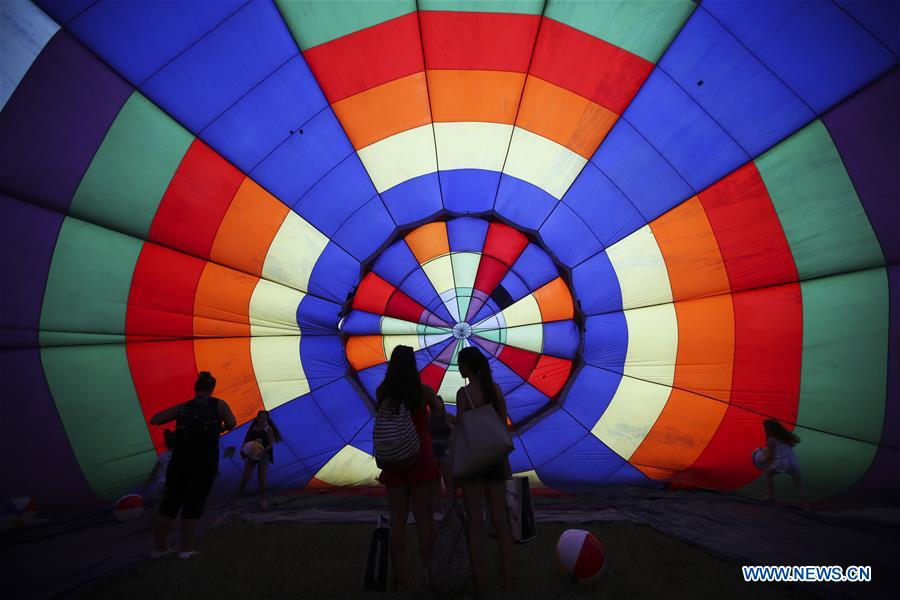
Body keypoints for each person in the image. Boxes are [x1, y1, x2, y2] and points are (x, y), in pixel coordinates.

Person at [149, 371, 236, 558]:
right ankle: (185, 549)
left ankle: (160, 548)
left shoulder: (185, 406)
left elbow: (155, 419)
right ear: (212, 388)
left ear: (196, 388)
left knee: (170, 503)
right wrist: (221, 428)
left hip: (179, 461)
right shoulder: (219, 405)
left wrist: (183, 409)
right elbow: (232, 422)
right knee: (194, 503)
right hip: (204, 462)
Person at [376, 345, 441, 589]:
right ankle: (430, 574)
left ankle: (401, 576)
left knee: (398, 520)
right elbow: (438, 414)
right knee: (425, 520)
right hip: (420, 457)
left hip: (393, 461)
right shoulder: (422, 392)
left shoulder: (382, 392)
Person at [455, 346, 513, 594]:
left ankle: (480, 582)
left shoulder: (463, 394)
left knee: (475, 523)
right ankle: (507, 581)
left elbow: (460, 428)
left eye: (460, 364)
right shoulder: (494, 390)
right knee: (500, 520)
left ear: (468, 367)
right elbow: (502, 424)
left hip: (473, 460)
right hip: (495, 459)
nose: (459, 368)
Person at [237, 410, 282, 510]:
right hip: (252, 455)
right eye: (260, 417)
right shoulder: (253, 428)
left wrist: (263, 450)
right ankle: (238, 495)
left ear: (267, 419)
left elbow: (271, 444)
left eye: (264, 417)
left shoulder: (268, 429)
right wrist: (243, 450)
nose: (262, 419)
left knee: (261, 478)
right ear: (257, 418)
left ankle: (263, 500)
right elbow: (246, 440)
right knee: (246, 477)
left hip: (263, 455)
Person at [759, 419, 807, 507]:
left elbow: (771, 456)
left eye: (765, 428)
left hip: (782, 462)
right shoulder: (784, 437)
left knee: (767, 474)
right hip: (793, 462)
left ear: (768, 429)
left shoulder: (771, 440)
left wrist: (762, 461)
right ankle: (805, 505)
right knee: (798, 484)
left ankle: (770, 495)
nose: (764, 429)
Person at [428, 395, 453, 515]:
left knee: (448, 478)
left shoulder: (447, 417)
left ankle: (451, 504)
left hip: (445, 448)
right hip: (433, 448)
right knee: (435, 479)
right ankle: (439, 505)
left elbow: (458, 424)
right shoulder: (429, 417)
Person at [142, 429, 174, 501]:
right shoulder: (181, 454)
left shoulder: (162, 456)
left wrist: (146, 486)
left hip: (162, 483)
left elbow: (153, 472)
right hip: (174, 483)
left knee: (159, 505)